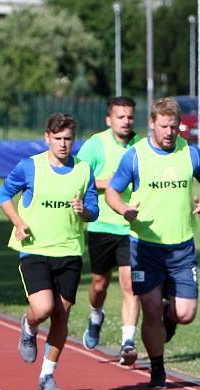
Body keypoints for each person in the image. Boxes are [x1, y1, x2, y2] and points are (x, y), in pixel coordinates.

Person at [105, 97, 200, 389]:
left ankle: (171, 317)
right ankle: (157, 369)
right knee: (151, 308)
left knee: (185, 314)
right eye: (165, 126)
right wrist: (124, 210)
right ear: (152, 124)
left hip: (182, 247)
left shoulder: (190, 153)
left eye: (175, 127)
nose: (170, 132)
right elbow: (113, 192)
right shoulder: (135, 155)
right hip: (145, 246)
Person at [0, 113, 99, 390]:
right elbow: (3, 195)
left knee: (61, 315)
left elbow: (94, 209)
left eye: (68, 139)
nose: (63, 144)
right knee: (42, 309)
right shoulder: (30, 167)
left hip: (69, 250)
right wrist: (18, 222)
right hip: (35, 249)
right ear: (47, 138)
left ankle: (47, 376)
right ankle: (28, 326)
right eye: (58, 139)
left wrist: (85, 211)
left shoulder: (83, 170)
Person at [77, 96, 141, 365]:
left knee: (130, 284)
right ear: (109, 119)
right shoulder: (96, 144)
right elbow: (79, 176)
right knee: (99, 283)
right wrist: (112, 182)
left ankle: (128, 341)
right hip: (101, 224)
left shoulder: (142, 146)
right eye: (120, 117)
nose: (125, 121)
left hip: (131, 226)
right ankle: (95, 315)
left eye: (129, 117)